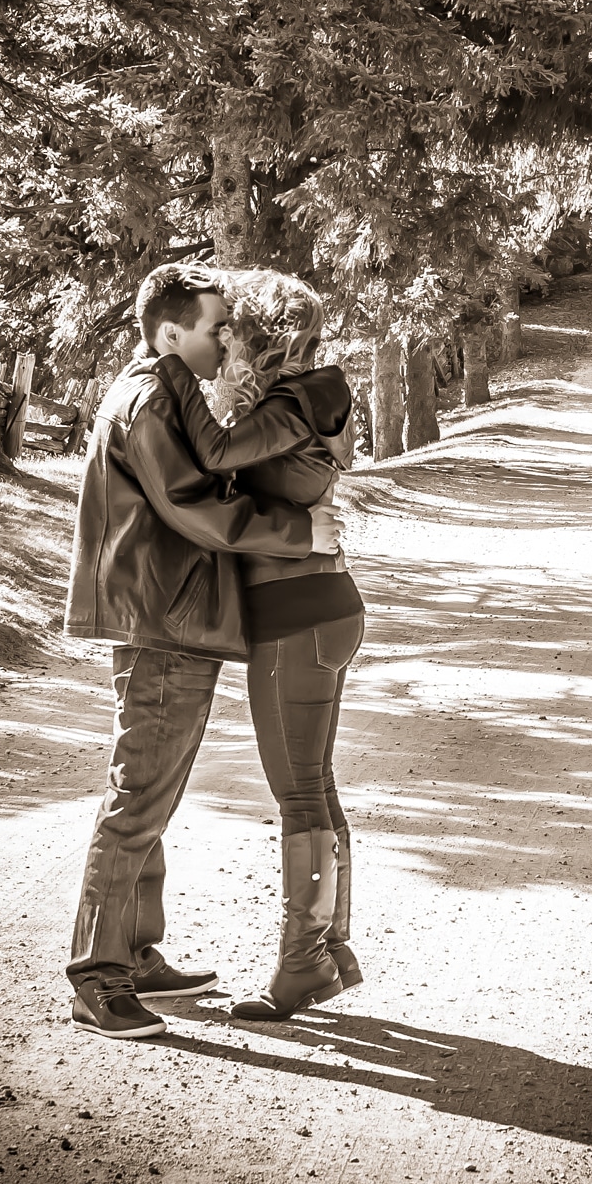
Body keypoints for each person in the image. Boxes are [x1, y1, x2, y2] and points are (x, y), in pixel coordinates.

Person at [63, 263, 344, 1040]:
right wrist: (300, 531)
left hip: (170, 615)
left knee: (152, 792)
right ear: (168, 333)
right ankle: (97, 977)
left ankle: (137, 950)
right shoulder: (152, 398)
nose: (227, 338)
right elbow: (193, 505)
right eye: (215, 327)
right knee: (138, 799)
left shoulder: (162, 393)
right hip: (163, 621)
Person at [150, 268, 365, 1021]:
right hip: (318, 604)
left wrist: (176, 370)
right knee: (318, 785)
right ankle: (329, 949)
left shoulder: (293, 399)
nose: (226, 340)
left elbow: (213, 458)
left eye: (233, 328)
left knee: (300, 791)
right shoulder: (302, 397)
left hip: (295, 613)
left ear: (260, 333)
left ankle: (301, 964)